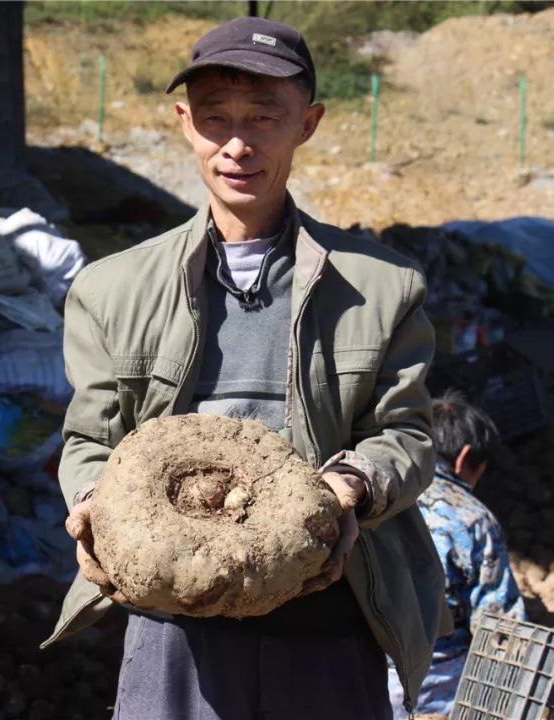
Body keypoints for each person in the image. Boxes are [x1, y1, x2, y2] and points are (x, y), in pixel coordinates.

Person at [42, 17, 450, 720]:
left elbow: (407, 436)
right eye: (215, 119)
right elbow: (89, 443)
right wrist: (91, 510)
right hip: (174, 623)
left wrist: (349, 489)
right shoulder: (111, 290)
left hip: (327, 615)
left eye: (266, 117)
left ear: (308, 123)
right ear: (183, 122)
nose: (237, 144)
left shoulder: (383, 287)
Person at [388, 390, 526, 718]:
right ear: (465, 459)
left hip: (363, 674)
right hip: (434, 690)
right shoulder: (472, 518)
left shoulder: (380, 493)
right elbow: (500, 626)